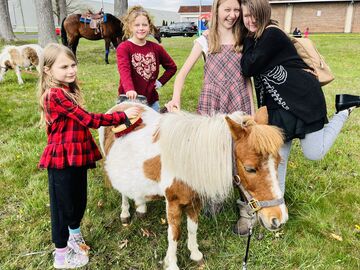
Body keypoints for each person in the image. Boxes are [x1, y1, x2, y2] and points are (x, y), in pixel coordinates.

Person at [236, 0, 359, 236]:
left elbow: (247, 67)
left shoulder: (272, 34)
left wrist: (246, 41)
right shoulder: (255, 36)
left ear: (264, 14)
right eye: (246, 16)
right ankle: (277, 214)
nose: (249, 21)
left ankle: (344, 110)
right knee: (277, 161)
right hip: (277, 110)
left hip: (303, 100)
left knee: (314, 152)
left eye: (254, 15)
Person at [37, 43, 140, 269]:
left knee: (78, 200)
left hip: (76, 155)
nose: (71, 70)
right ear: (47, 70)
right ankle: (61, 255)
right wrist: (119, 115)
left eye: (73, 64)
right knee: (62, 206)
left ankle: (74, 235)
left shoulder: (67, 90)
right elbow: (89, 120)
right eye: (64, 67)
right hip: (61, 159)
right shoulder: (54, 95)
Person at [166, 0, 254, 116]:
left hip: (239, 101)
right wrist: (175, 99)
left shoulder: (243, 40)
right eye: (227, 10)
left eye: (236, 10)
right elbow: (181, 75)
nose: (232, 15)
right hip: (212, 102)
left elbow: (246, 79)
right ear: (216, 10)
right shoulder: (205, 40)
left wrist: (252, 111)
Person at [116, 6, 177, 112]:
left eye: (144, 25)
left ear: (149, 27)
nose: (141, 28)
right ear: (130, 27)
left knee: (153, 127)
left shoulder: (156, 48)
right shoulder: (124, 47)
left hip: (151, 101)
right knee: (130, 128)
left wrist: (159, 82)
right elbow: (124, 70)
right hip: (129, 101)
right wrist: (129, 89)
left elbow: (172, 67)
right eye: (137, 25)